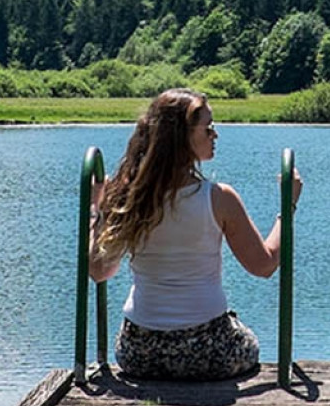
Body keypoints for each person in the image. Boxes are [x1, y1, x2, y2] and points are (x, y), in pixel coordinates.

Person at [89, 88, 302, 381]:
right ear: (182, 138)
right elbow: (264, 266)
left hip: (139, 351)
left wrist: (94, 208)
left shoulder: (125, 196)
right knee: (246, 337)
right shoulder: (219, 198)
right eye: (208, 128)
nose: (215, 135)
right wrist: (287, 206)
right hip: (209, 352)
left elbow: (99, 271)